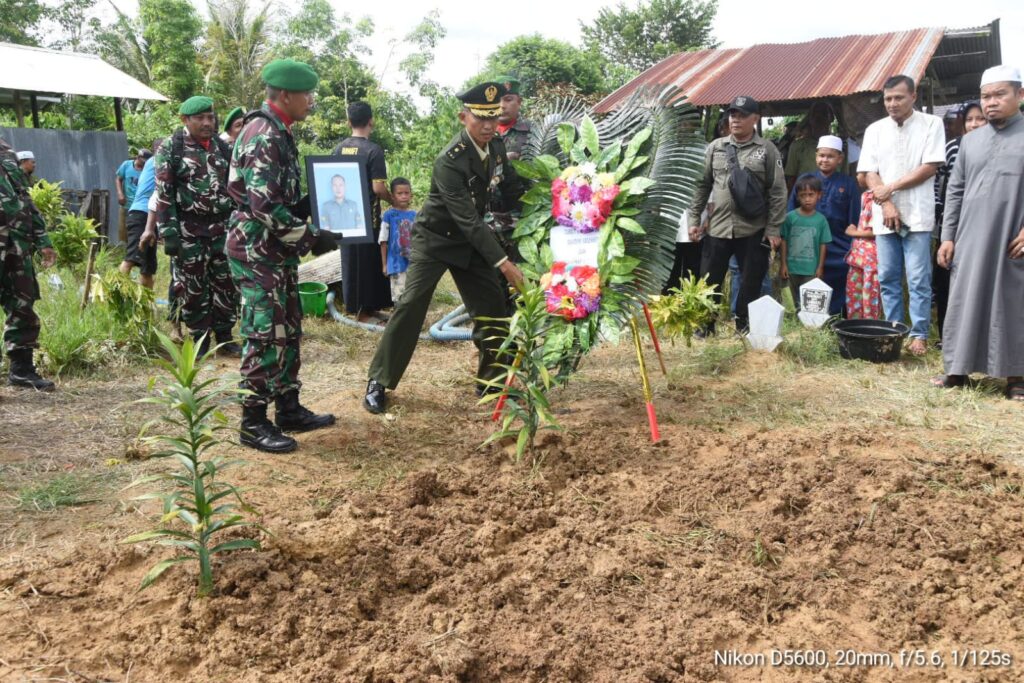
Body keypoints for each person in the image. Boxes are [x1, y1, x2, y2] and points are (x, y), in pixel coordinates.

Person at [363, 81, 526, 414]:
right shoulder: (448, 161)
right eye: (479, 118)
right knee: (411, 306)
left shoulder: (495, 148)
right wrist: (505, 264)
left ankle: (493, 384)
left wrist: (556, 200)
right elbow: (467, 218)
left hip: (471, 244)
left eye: (492, 118)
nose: (487, 126)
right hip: (436, 241)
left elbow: (511, 189)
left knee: (492, 308)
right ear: (462, 117)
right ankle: (379, 380)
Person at [226, 58, 337, 452]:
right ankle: (252, 422)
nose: (311, 100)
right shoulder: (264, 133)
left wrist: (314, 205)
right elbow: (263, 206)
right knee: (263, 332)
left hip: (274, 249)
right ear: (286, 95)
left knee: (287, 328)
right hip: (257, 250)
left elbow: (278, 198)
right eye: (307, 94)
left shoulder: (279, 131)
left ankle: (287, 408)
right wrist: (310, 237)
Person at [934, 65, 1024, 401]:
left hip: (1012, 237)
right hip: (970, 238)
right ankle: (956, 370)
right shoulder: (969, 142)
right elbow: (954, 191)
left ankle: (1016, 377)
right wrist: (947, 237)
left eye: (1000, 94)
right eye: (986, 96)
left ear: (1020, 95)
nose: (991, 102)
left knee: (1013, 302)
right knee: (964, 299)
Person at [858, 74, 945, 355]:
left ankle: (919, 334)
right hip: (884, 216)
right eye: (887, 98)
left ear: (913, 97)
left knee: (918, 276)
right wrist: (886, 203)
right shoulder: (875, 129)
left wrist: (890, 189)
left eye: (898, 97)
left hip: (918, 214)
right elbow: (868, 172)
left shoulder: (932, 124)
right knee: (887, 276)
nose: (892, 103)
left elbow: (929, 167)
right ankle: (894, 329)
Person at [688, 95, 787, 334]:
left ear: (755, 119)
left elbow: (778, 191)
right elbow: (701, 185)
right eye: (733, 114)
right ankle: (705, 325)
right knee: (709, 280)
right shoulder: (715, 147)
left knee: (751, 281)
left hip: (753, 229)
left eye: (742, 115)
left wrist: (773, 229)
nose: (736, 119)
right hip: (717, 228)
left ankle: (744, 326)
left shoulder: (767, 150)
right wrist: (694, 220)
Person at [153, 95, 241, 357]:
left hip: (222, 229)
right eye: (200, 118)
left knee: (226, 284)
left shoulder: (222, 147)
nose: (207, 123)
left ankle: (225, 336)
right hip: (189, 231)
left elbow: (236, 188)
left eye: (210, 117)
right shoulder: (171, 148)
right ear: (185, 119)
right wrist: (169, 233)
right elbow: (164, 193)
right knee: (193, 287)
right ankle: (200, 339)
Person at [0, 137, 56, 391]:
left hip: (16, 244)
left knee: (23, 301)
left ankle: (21, 370)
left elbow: (25, 198)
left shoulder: (8, 152)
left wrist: (43, 238)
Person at [786, 135, 861, 315]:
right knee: (809, 287)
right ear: (816, 156)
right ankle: (811, 322)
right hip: (808, 246)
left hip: (839, 247)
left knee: (840, 286)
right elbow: (791, 213)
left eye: (830, 156)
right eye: (821, 155)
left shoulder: (848, 183)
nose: (824, 160)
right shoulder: (805, 179)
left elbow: (854, 220)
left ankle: (836, 321)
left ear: (840, 159)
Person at [333, 101, 393, 323]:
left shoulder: (339, 148)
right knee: (368, 262)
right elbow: (378, 188)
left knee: (351, 261)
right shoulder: (373, 150)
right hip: (368, 217)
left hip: (343, 215)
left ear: (349, 122)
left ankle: (365, 308)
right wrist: (393, 199)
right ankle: (363, 313)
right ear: (371, 121)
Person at [933, 101, 986, 346]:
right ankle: (947, 337)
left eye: (980, 119)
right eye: (970, 120)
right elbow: (941, 189)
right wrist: (943, 227)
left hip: (986, 227)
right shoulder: (953, 148)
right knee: (947, 283)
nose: (974, 124)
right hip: (953, 227)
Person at [780, 175, 831, 311]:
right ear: (797, 196)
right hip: (791, 269)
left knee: (810, 302)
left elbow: (823, 244)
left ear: (819, 195)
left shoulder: (821, 220)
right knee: (789, 303)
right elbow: (783, 240)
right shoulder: (790, 217)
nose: (807, 199)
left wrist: (820, 267)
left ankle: (806, 326)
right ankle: (790, 324)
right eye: (803, 195)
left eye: (811, 195)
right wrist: (783, 264)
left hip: (811, 270)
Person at [119, 143, 160, 289]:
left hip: (150, 217)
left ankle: (146, 305)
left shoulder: (155, 162)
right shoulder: (158, 161)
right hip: (140, 214)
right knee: (131, 258)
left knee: (147, 267)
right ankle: (116, 296)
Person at [845, 190, 881, 319]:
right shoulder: (865, 196)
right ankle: (854, 328)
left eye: (863, 174)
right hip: (858, 255)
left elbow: (879, 230)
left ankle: (871, 330)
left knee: (870, 296)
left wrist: (854, 233)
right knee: (854, 294)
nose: (858, 176)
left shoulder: (883, 197)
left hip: (873, 257)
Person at [379, 177, 415, 301]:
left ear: (411, 194)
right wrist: (384, 264)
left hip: (413, 263)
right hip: (395, 264)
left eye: (406, 193)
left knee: (412, 294)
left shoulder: (414, 215)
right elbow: (383, 241)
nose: (404, 196)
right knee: (399, 297)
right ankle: (400, 318)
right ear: (393, 196)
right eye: (400, 193)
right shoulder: (388, 215)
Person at [785, 102, 834, 189]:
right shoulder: (798, 146)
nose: (819, 118)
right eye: (816, 115)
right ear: (810, 119)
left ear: (830, 119)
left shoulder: (839, 146)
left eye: (824, 114)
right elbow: (790, 179)